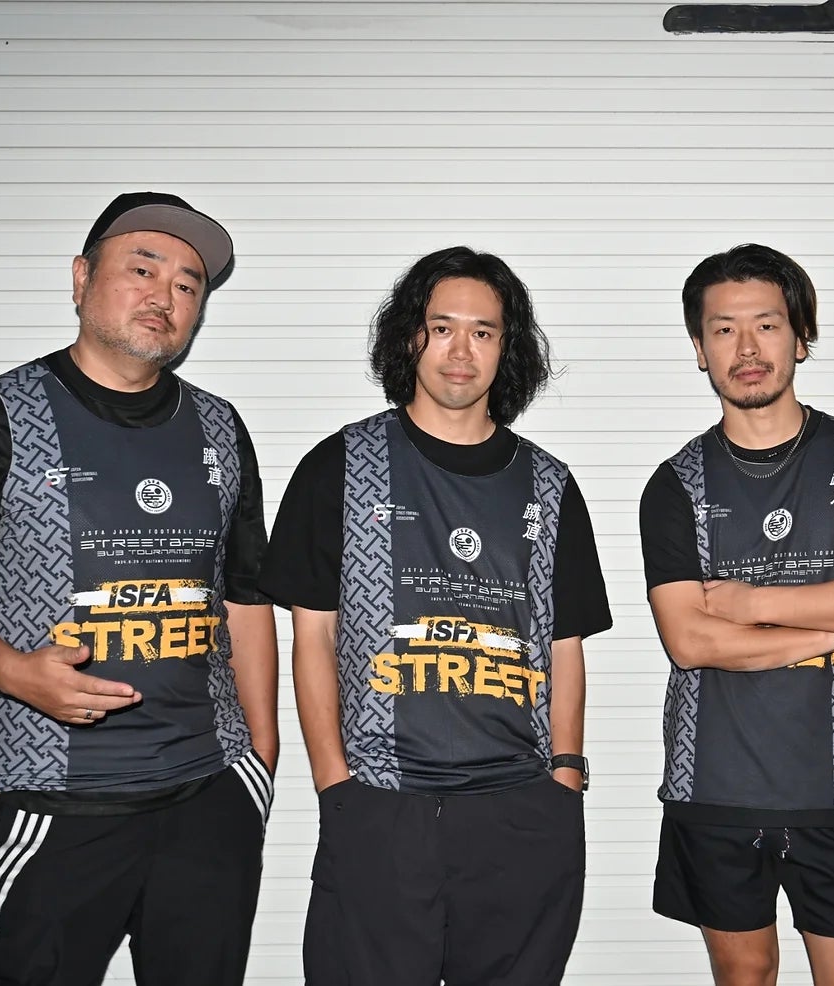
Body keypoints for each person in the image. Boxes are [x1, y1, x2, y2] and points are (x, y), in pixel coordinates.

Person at [0, 191, 278, 985]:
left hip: (207, 796)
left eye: (187, 284)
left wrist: (260, 757)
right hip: (53, 799)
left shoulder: (220, 428)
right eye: (143, 269)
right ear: (81, 278)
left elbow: (246, 597)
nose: (165, 295)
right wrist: (15, 672)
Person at [261, 246, 611, 986]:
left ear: (506, 348)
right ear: (410, 336)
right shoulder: (339, 466)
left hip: (521, 809)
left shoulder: (549, 485)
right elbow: (312, 636)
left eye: (483, 332)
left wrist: (565, 779)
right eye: (442, 327)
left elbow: (564, 646)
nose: (461, 350)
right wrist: (336, 786)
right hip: (382, 806)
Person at [639, 243, 834, 986]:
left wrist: (751, 604)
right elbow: (690, 639)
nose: (747, 348)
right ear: (699, 349)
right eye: (724, 329)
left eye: (766, 325)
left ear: (800, 336)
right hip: (715, 789)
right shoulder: (674, 485)